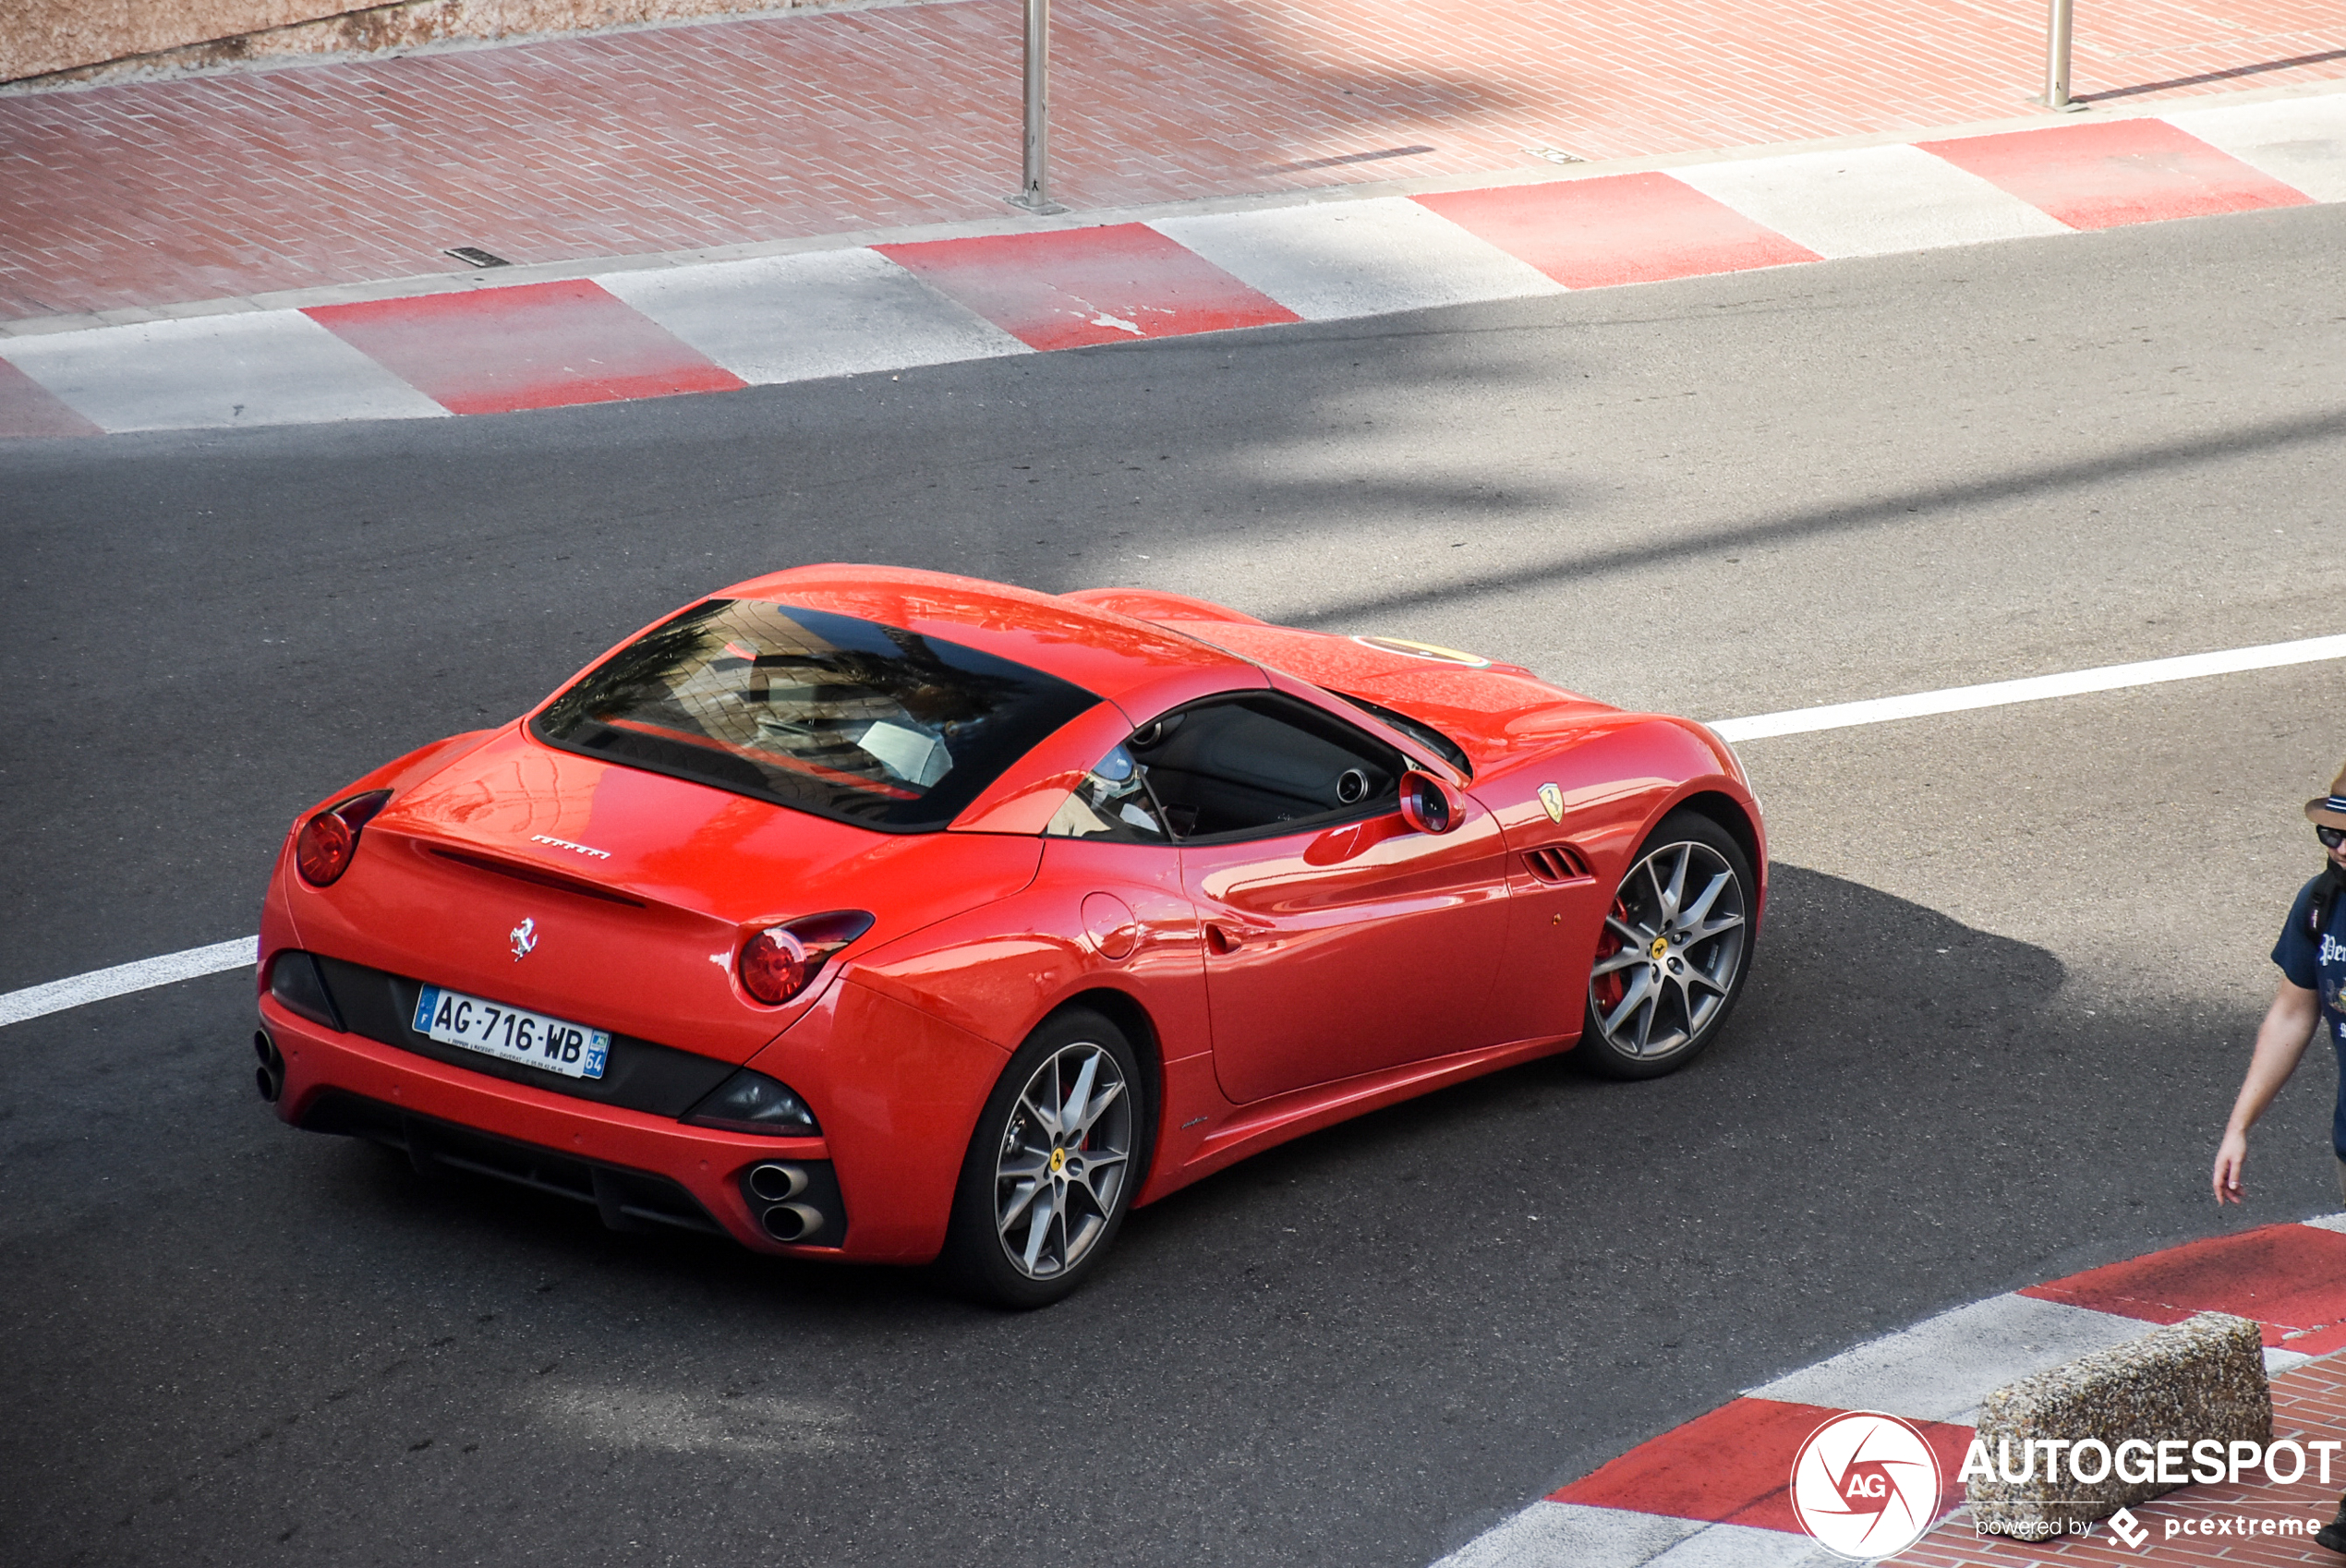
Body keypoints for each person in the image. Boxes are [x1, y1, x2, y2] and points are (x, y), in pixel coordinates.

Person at [2213, 762, 2346, 1554]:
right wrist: (2240, 1126)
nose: (2337, 849)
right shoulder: (2322, 903)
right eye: (2331, 833)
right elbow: (2295, 1012)